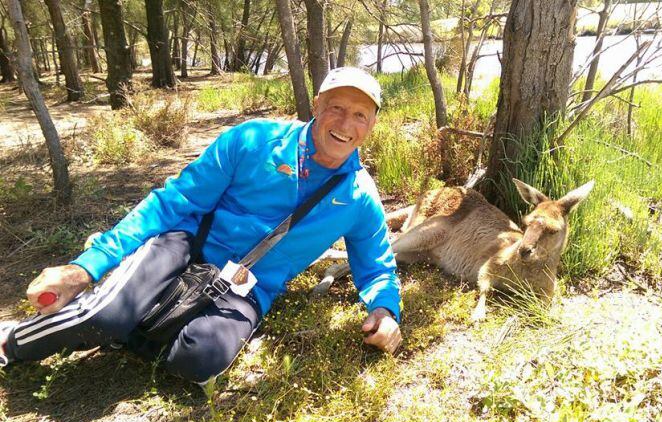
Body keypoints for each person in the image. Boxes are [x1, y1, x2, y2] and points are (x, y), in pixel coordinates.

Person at [0, 67, 402, 386]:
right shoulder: (252, 140)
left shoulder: (359, 196)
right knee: (106, 316)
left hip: (247, 286)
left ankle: (134, 312)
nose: (346, 123)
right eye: (336, 107)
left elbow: (377, 264)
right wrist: (86, 266)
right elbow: (174, 201)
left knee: (201, 361)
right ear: (316, 105)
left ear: (372, 126)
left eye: (360, 115)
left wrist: (385, 310)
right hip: (186, 245)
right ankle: (13, 340)